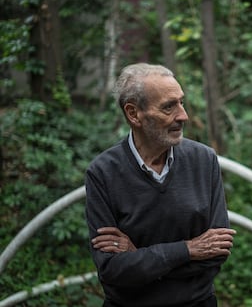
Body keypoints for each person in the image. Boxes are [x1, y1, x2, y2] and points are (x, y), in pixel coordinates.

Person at [85, 63, 236, 307]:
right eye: (168, 107)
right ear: (134, 114)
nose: (183, 116)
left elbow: (215, 253)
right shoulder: (103, 172)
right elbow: (112, 270)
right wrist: (188, 249)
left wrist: (139, 258)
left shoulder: (204, 160)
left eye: (181, 102)